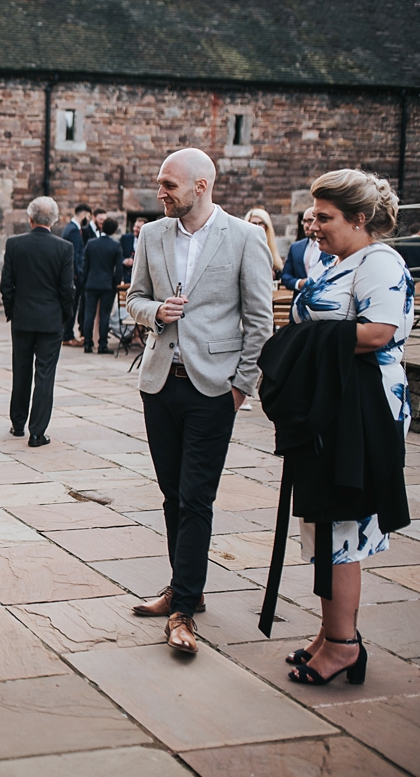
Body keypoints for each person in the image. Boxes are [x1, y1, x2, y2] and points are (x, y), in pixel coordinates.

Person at [261, 169, 412, 687]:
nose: (314, 225)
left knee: (343, 522)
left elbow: (379, 332)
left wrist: (301, 346)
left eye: (325, 217)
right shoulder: (341, 261)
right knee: (324, 519)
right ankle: (332, 632)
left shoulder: (381, 262)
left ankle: (345, 646)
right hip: (332, 406)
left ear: (360, 218)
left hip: (362, 411)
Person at [125, 148, 274, 655]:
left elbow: (260, 322)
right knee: (172, 494)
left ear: (201, 186)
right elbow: (134, 300)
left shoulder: (246, 238)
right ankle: (184, 586)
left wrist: (240, 388)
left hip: (214, 389)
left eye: (169, 185)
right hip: (160, 383)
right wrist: (154, 312)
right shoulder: (152, 234)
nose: (160, 192)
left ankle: (184, 608)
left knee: (196, 498)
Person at [0, 197, 74, 447]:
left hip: (22, 318)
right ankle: (37, 432)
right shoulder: (64, 248)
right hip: (51, 319)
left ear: (30, 218)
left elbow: (6, 285)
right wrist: (65, 316)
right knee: (45, 375)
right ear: (54, 219)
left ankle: (18, 423)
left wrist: (12, 310)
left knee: (21, 371)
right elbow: (67, 289)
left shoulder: (15, 244)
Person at [81, 217, 123, 354]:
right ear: (115, 230)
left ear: (102, 227)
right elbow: (119, 268)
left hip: (91, 283)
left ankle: (87, 344)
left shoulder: (91, 243)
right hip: (107, 285)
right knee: (105, 315)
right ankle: (102, 345)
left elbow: (85, 265)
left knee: (89, 314)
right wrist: (116, 283)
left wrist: (84, 281)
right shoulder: (115, 246)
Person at [281, 207, 335, 292]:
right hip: (299, 300)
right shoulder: (295, 247)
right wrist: (299, 283)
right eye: (304, 221)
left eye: (310, 221)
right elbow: (285, 276)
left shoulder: (332, 247)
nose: (306, 225)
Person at [61, 204, 93, 346]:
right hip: (74, 276)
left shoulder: (71, 228)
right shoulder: (73, 231)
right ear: (83, 214)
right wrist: (78, 275)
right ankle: (67, 336)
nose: (89, 219)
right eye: (89, 216)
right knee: (72, 306)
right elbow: (75, 255)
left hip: (72, 274)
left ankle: (67, 334)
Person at [245, 208, 285, 276]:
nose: (257, 227)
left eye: (261, 223)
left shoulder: (270, 247)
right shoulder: (243, 248)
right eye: (254, 223)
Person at [120, 217, 145, 284]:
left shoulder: (148, 241)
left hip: (140, 277)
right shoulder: (125, 238)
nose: (135, 229)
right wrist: (124, 260)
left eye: (138, 227)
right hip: (126, 276)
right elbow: (118, 253)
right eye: (135, 226)